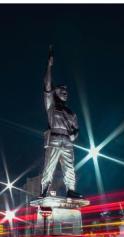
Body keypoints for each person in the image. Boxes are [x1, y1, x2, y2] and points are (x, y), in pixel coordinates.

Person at [39, 45, 82, 200]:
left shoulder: (71, 113)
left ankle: (71, 190)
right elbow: (47, 86)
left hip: (67, 142)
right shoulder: (51, 106)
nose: (65, 93)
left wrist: (73, 136)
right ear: (56, 94)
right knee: (49, 166)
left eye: (66, 92)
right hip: (55, 139)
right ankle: (44, 189)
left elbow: (76, 130)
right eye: (62, 91)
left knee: (69, 168)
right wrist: (49, 66)